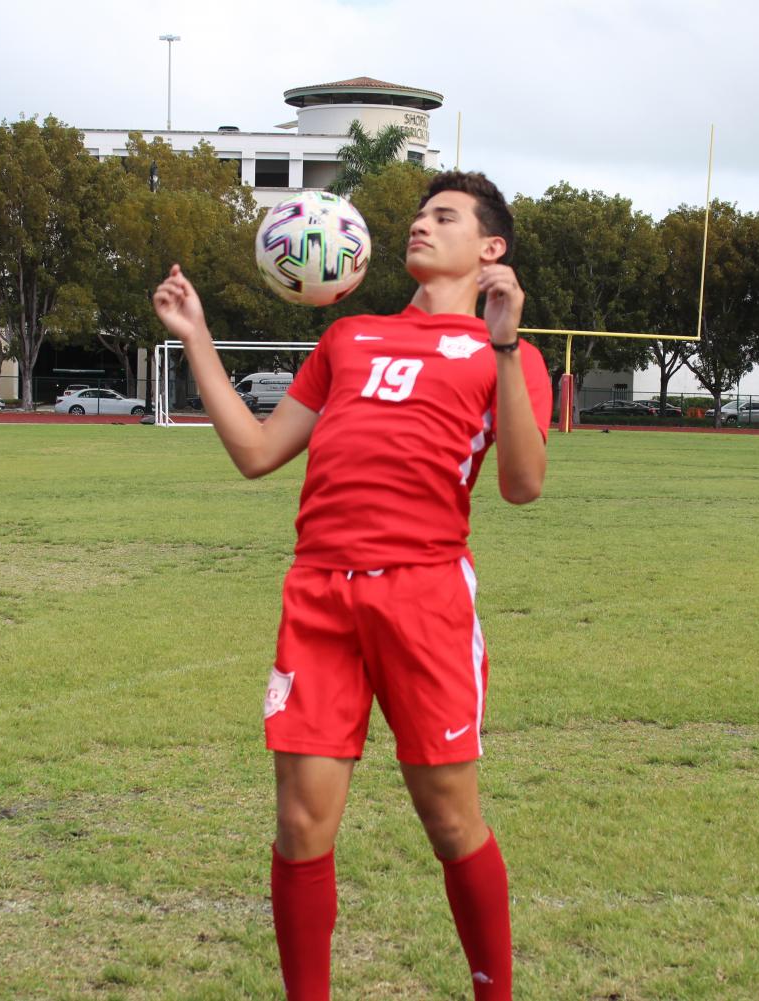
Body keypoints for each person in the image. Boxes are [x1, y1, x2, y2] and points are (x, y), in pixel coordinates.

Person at [152, 171, 552, 1000]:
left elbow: (521, 483)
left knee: (448, 819)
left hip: (424, 596)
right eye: (415, 214)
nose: (418, 225)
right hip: (320, 593)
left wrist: (506, 345)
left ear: (489, 248)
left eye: (442, 216)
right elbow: (258, 453)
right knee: (300, 823)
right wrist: (196, 336)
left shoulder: (504, 353)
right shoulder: (349, 337)